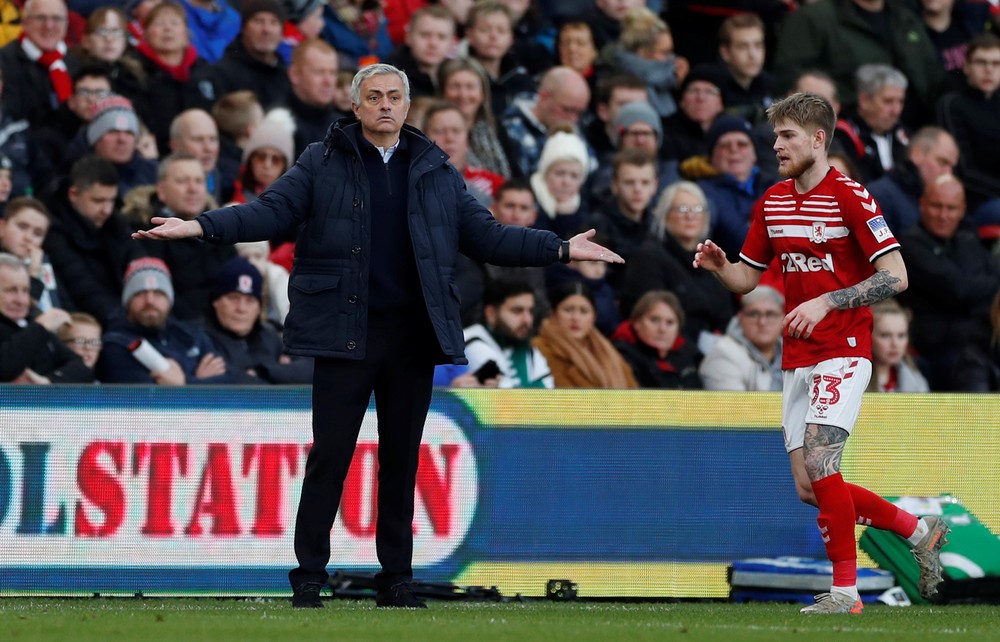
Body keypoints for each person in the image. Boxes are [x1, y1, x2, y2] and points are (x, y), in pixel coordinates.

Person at [132, 63, 621, 609]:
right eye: (374, 97)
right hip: (347, 333)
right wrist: (199, 226)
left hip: (411, 337)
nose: (385, 105)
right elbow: (267, 214)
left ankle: (397, 578)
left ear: (407, 106)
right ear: (357, 106)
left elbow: (487, 236)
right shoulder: (320, 162)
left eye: (394, 96)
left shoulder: (436, 168)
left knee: (401, 460)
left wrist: (559, 247)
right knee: (331, 456)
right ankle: (310, 576)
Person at [693, 92, 950, 614]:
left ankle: (846, 594)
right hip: (798, 355)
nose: (776, 145)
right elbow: (746, 279)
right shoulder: (772, 200)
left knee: (821, 459)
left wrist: (829, 300)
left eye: (787, 136)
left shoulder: (852, 196)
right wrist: (721, 266)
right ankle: (917, 529)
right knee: (811, 487)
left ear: (818, 138)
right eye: (776, 136)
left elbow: (896, 275)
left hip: (844, 348)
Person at [897, 174, 1000, 390]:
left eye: (951, 208)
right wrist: (975, 286)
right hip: (938, 353)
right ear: (922, 204)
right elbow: (958, 289)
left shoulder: (966, 238)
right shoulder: (910, 245)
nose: (943, 215)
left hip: (979, 345)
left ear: (962, 210)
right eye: (937, 206)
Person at [96, 256, 232, 384]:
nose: (150, 301)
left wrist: (185, 384)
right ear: (128, 301)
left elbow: (230, 383)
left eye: (158, 293)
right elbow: (139, 399)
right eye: (140, 293)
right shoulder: (116, 344)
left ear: (169, 299)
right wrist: (196, 382)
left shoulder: (191, 334)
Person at [41, 155, 142, 325]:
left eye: (111, 200)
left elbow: (140, 264)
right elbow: (82, 288)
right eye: (98, 201)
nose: (106, 210)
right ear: (74, 194)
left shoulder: (115, 224)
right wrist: (123, 323)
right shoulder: (53, 232)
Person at [203, 257, 312, 384]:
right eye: (233, 298)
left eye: (250, 301)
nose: (241, 308)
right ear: (215, 301)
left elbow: (311, 368)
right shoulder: (198, 339)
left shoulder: (269, 335)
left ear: (259, 307)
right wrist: (282, 374)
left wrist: (264, 372)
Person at [0, 252, 91, 383]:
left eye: (25, 291)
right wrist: (41, 327)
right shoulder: (39, 327)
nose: (21, 300)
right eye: (11, 290)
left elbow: (82, 369)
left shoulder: (32, 324)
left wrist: (47, 382)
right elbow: (5, 368)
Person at [532, 280, 637, 388]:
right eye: (568, 310)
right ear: (553, 314)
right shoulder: (539, 351)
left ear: (594, 317)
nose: (576, 318)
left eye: (584, 311)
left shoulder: (608, 351)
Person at [463, 277, 554, 389]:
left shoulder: (526, 346)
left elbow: (548, 393)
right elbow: (507, 399)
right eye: (517, 311)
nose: (528, 320)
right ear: (491, 314)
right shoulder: (471, 342)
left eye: (530, 311)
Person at [867, 126, 959, 236]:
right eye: (942, 162)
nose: (948, 173)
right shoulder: (879, 196)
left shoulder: (925, 197)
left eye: (952, 167)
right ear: (917, 154)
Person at [832, 63, 909, 184]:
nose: (896, 111)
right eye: (888, 101)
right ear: (864, 100)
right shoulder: (842, 137)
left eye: (901, 102)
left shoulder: (902, 135)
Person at [611, 289, 702, 389]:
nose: (662, 329)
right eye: (654, 320)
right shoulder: (622, 357)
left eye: (670, 322)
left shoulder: (688, 353)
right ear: (636, 323)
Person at [698, 285, 783, 392]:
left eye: (770, 314)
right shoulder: (722, 355)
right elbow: (734, 408)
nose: (762, 322)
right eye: (754, 314)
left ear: (783, 318)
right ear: (740, 318)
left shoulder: (793, 352)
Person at [867, 299, 929, 393]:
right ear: (869, 337)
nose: (895, 343)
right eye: (885, 335)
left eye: (901, 335)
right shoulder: (854, 382)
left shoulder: (917, 381)